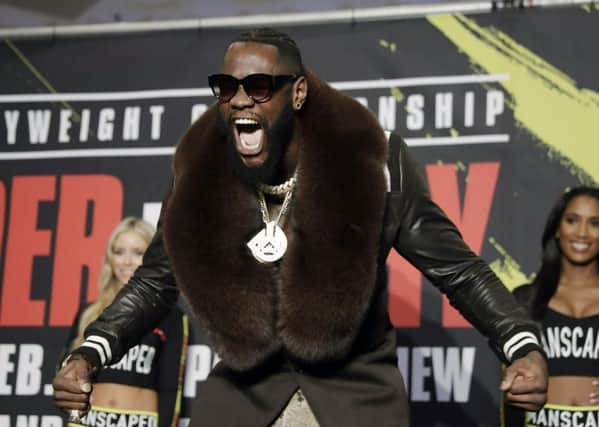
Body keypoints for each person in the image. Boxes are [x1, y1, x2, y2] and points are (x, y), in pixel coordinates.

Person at [53, 28, 548, 426]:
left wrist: (519, 342)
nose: (240, 100)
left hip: (356, 394)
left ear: (299, 92)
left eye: (260, 86)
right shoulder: (201, 170)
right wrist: (91, 352)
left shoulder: (370, 163)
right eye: (227, 87)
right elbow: (157, 277)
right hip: (244, 393)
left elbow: (456, 270)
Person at [57, 217, 190, 427]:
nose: (127, 261)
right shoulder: (88, 313)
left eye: (138, 252)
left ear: (153, 259)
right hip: (88, 421)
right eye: (119, 252)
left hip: (141, 422)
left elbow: (170, 389)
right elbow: (65, 377)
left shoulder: (172, 318)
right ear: (110, 259)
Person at [502, 187, 599, 427]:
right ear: (557, 228)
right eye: (572, 220)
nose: (582, 233)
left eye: (595, 223)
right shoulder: (525, 300)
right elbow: (509, 384)